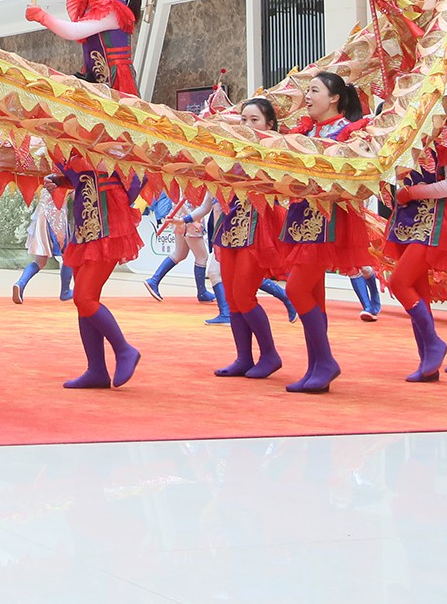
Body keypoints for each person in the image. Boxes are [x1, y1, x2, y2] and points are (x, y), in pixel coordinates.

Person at [276, 72, 371, 394]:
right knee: (314, 296)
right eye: (307, 90)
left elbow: (356, 177)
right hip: (302, 215)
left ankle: (326, 362)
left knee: (296, 289)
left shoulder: (350, 132)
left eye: (314, 90)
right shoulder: (306, 131)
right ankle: (316, 366)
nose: (308, 96)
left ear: (334, 97)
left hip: (327, 218)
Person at [210, 98, 299, 378]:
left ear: (269, 125)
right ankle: (243, 358)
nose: (247, 125)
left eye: (254, 120)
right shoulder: (231, 149)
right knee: (232, 297)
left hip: (258, 226)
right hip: (230, 225)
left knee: (243, 294)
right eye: (243, 119)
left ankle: (270, 355)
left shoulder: (276, 150)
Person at [384, 119, 447, 382]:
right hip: (406, 219)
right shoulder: (406, 134)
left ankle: (433, 343)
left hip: (435, 219)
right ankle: (427, 363)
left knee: (399, 283)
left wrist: (412, 193)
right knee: (417, 290)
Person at [47, 156, 144, 389]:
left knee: (84, 298)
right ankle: (97, 369)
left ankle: (124, 350)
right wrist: (61, 181)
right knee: (84, 301)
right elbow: (82, 175)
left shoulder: (107, 138)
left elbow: (136, 169)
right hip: (86, 220)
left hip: (108, 219)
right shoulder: (71, 144)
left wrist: (115, 191)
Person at [143, 187, 215, 303]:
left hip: (185, 219)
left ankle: (154, 280)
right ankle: (202, 292)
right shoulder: (191, 179)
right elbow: (181, 200)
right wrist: (193, 221)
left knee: (179, 254)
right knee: (202, 257)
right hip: (190, 220)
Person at [14, 180, 72, 303]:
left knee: (39, 261)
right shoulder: (66, 173)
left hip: (41, 217)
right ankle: (65, 291)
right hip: (57, 218)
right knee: (69, 256)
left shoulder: (44, 172)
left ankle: (20, 283)